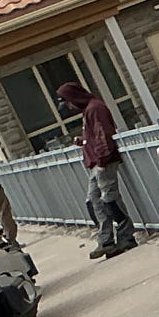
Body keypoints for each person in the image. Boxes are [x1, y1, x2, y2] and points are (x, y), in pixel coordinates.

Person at [55, 82, 135, 258]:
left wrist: (101, 161)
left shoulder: (95, 108)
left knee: (110, 199)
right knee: (94, 201)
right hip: (97, 162)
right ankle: (106, 241)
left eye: (68, 103)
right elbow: (96, 136)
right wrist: (83, 141)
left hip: (103, 162)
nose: (69, 107)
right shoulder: (89, 110)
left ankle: (125, 237)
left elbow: (104, 135)